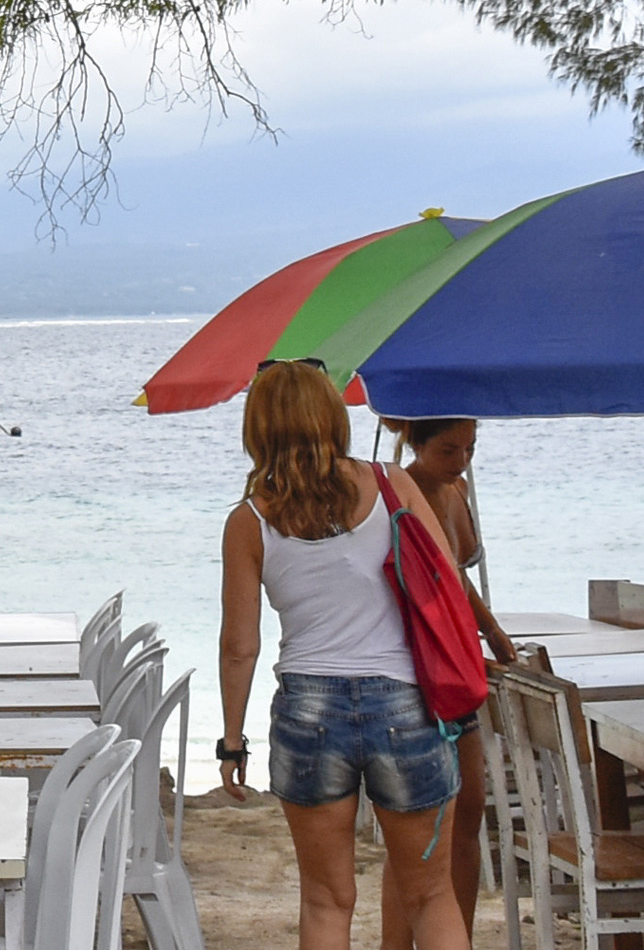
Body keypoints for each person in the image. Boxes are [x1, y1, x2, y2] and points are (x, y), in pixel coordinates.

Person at [218, 360, 474, 950]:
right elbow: (447, 587)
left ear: (258, 430)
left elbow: (240, 645)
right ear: (333, 417)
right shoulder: (393, 486)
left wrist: (232, 740)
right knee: (430, 896)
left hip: (308, 712)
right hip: (405, 703)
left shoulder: (249, 520)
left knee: (326, 900)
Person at [386, 414, 511, 937]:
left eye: (469, 449)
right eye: (448, 450)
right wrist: (488, 637)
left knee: (469, 815)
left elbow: (459, 576)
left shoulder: (457, 492)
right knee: (416, 831)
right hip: (422, 671)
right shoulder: (402, 490)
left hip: (458, 669)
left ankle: (458, 932)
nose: (460, 461)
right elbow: (440, 587)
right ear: (415, 443)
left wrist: (490, 636)